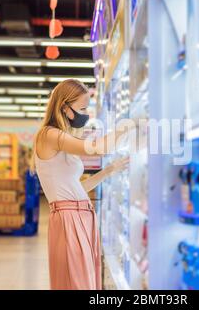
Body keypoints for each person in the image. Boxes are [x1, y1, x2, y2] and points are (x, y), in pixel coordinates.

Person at [32, 79, 131, 290]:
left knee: (85, 282)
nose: (86, 114)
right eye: (83, 108)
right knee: (76, 282)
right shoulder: (49, 135)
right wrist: (127, 126)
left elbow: (77, 188)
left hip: (82, 216)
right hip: (69, 218)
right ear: (64, 107)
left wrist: (109, 170)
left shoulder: (61, 137)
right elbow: (95, 148)